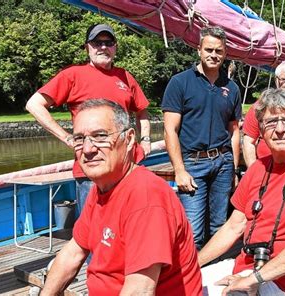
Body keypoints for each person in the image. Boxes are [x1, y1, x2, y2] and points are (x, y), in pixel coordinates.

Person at [40, 99, 202, 296]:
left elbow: (139, 290)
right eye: (79, 139)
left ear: (130, 138)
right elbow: (72, 253)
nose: (88, 149)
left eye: (100, 136)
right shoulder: (102, 187)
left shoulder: (146, 196)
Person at [198, 88, 285, 296]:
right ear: (261, 130)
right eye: (271, 122)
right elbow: (234, 226)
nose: (280, 129)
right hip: (247, 267)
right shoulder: (258, 168)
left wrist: (253, 279)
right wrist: (191, 264)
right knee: (176, 284)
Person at [26, 24, 151, 216]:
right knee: (94, 233)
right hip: (92, 170)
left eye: (108, 42)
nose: (103, 47)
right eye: (96, 43)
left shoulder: (125, 76)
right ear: (87, 48)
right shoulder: (72, 75)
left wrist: (146, 140)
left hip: (129, 166)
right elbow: (34, 105)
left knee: (134, 223)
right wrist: (67, 138)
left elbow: (142, 111)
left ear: (115, 47)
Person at [162, 26, 242, 249]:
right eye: (209, 49)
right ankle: (188, 278)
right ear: (199, 50)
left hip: (223, 163)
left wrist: (234, 169)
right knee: (193, 231)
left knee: (219, 226)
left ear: (225, 54)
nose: (213, 55)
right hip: (192, 164)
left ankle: (212, 275)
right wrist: (179, 170)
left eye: (219, 51)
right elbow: (170, 130)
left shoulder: (231, 88)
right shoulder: (180, 83)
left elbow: (234, 131)